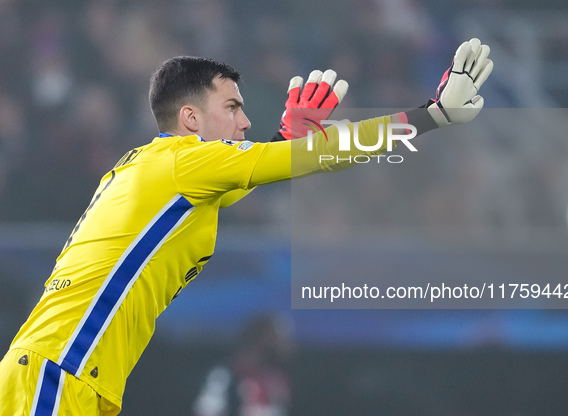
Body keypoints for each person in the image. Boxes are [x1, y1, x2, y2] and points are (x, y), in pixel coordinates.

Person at [0, 38, 492, 415]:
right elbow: (322, 156)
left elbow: (246, 183)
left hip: (67, 372)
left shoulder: (160, 168)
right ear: (191, 118)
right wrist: (432, 116)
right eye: (232, 108)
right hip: (62, 371)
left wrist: (283, 140)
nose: (245, 120)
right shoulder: (185, 162)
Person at [192, 314, 293, 416]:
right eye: (279, 337)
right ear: (262, 337)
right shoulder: (225, 375)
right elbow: (207, 411)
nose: (286, 343)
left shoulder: (277, 379)